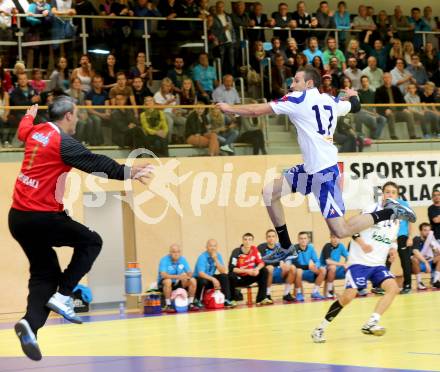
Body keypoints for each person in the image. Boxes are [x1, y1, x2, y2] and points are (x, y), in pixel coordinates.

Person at [217, 66, 416, 263]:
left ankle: (391, 211)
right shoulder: (330, 100)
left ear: (309, 83)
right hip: (310, 170)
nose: (292, 84)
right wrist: (354, 95)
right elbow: (354, 107)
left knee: (340, 230)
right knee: (270, 193)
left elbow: (256, 111)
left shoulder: (298, 99)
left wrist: (230, 109)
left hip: (324, 173)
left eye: (296, 80)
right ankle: (286, 246)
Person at [10, 98, 151, 361]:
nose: (78, 119)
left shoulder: (36, 131)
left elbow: (22, 131)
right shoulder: (62, 142)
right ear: (68, 115)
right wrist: (127, 172)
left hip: (17, 218)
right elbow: (93, 161)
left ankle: (30, 324)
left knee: (44, 274)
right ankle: (64, 296)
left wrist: (28, 116)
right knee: (92, 241)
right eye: (76, 115)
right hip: (41, 217)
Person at [311, 181, 402, 343]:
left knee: (393, 288)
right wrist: (361, 243)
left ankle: (372, 322)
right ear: (383, 194)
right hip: (359, 262)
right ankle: (320, 328)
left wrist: (393, 249)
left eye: (393, 192)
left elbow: (392, 239)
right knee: (348, 296)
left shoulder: (396, 219)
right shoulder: (371, 209)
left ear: (397, 197)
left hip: (377, 265)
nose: (389, 194)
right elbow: (351, 228)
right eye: (387, 192)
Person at [228, 233, 270, 306]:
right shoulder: (236, 251)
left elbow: (261, 263)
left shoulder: (254, 249)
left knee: (264, 271)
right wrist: (247, 271)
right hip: (239, 278)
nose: (247, 241)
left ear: (252, 241)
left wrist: (257, 269)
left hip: (250, 277)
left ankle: (261, 298)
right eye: (245, 239)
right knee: (231, 275)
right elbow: (232, 268)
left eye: (250, 240)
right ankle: (231, 300)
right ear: (242, 241)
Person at [158, 244, 201, 313]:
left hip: (177, 282)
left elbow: (189, 273)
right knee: (168, 281)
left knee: (193, 280)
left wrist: (186, 276)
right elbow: (163, 275)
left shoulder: (182, 259)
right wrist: (178, 277)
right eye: (174, 252)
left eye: (178, 252)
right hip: (164, 283)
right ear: (170, 253)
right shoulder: (164, 260)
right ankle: (168, 304)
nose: (176, 254)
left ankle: (190, 303)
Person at [374, 72, 418, 140]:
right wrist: (386, 109)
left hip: (397, 111)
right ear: (383, 79)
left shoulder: (396, 89)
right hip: (385, 113)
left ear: (391, 79)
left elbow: (402, 101)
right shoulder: (379, 90)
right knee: (391, 115)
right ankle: (393, 136)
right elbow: (377, 103)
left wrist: (404, 108)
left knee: (409, 114)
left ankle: (412, 135)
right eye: (385, 77)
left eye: (388, 77)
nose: (387, 79)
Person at [194, 239, 235, 307]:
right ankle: (197, 300)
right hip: (200, 278)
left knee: (224, 276)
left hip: (210, 278)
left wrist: (216, 259)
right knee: (202, 280)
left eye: (214, 246)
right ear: (206, 247)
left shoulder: (218, 255)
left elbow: (223, 271)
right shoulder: (202, 257)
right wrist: (213, 279)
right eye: (210, 246)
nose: (213, 248)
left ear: (217, 247)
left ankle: (226, 300)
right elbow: (201, 273)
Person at [258, 229, 296, 303]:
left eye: (273, 236)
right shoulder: (261, 247)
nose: (271, 238)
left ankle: (286, 294)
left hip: (280, 273)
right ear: (266, 238)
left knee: (292, 268)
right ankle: (267, 294)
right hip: (267, 274)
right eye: (269, 236)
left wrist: (286, 265)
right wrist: (279, 262)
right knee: (270, 268)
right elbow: (262, 262)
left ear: (276, 238)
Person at [294, 232, 326, 301]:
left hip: (308, 271)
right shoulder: (294, 248)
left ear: (308, 239)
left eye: (305, 238)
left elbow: (317, 260)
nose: (303, 240)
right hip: (298, 273)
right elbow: (295, 264)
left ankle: (315, 292)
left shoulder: (310, 248)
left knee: (323, 270)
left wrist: (315, 266)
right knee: (298, 270)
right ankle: (299, 293)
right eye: (301, 238)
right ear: (298, 240)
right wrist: (308, 267)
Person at [321, 234, 349, 298]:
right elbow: (328, 262)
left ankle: (352, 289)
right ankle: (329, 291)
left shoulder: (341, 246)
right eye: (333, 237)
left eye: (337, 237)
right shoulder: (327, 246)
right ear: (330, 238)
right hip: (323, 267)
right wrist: (343, 264)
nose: (335, 239)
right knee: (332, 267)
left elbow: (348, 257)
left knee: (350, 267)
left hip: (336, 267)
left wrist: (347, 263)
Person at [411, 223, 436, 289]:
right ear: (421, 231)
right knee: (414, 259)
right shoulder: (417, 239)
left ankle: (436, 281)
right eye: (425, 230)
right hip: (419, 264)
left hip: (430, 262)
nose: (427, 232)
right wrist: (426, 262)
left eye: (428, 230)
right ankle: (419, 283)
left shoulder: (431, 240)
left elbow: (436, 253)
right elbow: (415, 251)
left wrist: (435, 248)